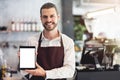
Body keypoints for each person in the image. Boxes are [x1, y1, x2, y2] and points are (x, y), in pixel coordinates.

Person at [22, 2, 75, 80]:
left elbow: (69, 71)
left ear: (58, 17)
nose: (48, 20)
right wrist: (23, 63)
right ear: (41, 18)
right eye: (45, 17)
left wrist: (45, 73)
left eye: (52, 16)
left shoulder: (68, 42)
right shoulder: (31, 41)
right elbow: (24, 72)